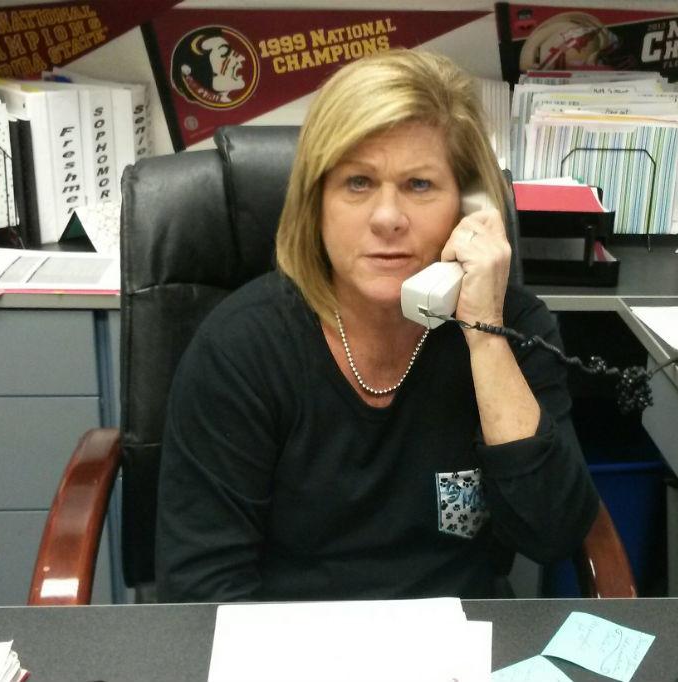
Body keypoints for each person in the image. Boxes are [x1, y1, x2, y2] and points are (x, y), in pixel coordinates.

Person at [155, 49, 599, 603]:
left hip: (455, 645)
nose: (388, 218)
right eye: (358, 183)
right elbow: (202, 588)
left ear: (470, 207)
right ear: (315, 202)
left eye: (419, 185)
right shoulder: (242, 350)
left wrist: (484, 333)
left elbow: (553, 532)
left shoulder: (513, 328)